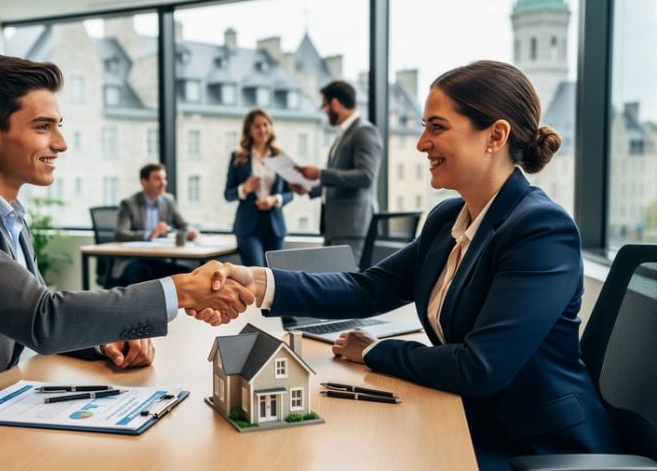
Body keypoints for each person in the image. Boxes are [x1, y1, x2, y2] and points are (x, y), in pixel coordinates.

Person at [208, 61, 620, 469]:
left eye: (437, 127)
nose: (422, 143)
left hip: (539, 448)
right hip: (469, 420)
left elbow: (480, 368)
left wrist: (375, 351)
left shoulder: (540, 230)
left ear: (495, 135)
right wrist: (258, 281)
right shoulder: (446, 220)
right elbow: (367, 287)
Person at [0, 54, 253, 438]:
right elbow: (42, 317)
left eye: (59, 125)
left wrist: (104, 340)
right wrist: (180, 290)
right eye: (44, 126)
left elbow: (31, 310)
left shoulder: (4, 212)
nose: (61, 143)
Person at [291, 80, 382, 263]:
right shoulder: (344, 133)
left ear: (335, 103)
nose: (324, 111)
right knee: (333, 283)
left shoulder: (364, 132)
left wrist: (320, 174)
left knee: (347, 283)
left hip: (352, 228)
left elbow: (365, 176)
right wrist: (312, 189)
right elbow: (341, 180)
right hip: (335, 227)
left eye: (324, 105)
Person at [224, 109, 293, 266]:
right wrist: (244, 188)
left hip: (275, 226)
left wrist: (276, 199)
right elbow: (228, 194)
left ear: (270, 127)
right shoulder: (238, 157)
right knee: (256, 275)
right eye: (257, 126)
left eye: (265, 125)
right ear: (249, 130)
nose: (262, 130)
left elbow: (290, 193)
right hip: (248, 227)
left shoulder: (280, 157)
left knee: (276, 276)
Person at [114, 163, 199, 285]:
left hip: (160, 259)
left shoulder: (168, 200)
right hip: (134, 260)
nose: (163, 183)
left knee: (186, 274)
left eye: (164, 178)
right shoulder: (129, 204)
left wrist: (189, 232)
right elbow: (120, 233)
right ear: (144, 182)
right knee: (142, 273)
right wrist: (150, 234)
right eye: (157, 179)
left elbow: (184, 225)